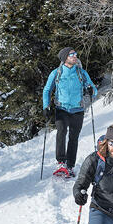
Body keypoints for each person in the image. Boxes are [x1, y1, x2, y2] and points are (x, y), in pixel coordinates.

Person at [42, 47, 98, 178]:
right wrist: (46, 106)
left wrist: (91, 90)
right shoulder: (56, 73)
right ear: (65, 58)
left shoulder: (81, 73)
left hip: (77, 110)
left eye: (75, 54)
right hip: (61, 109)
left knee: (74, 137)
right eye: (72, 54)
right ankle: (61, 162)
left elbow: (93, 88)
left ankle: (70, 166)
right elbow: (47, 90)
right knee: (61, 132)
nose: (75, 56)